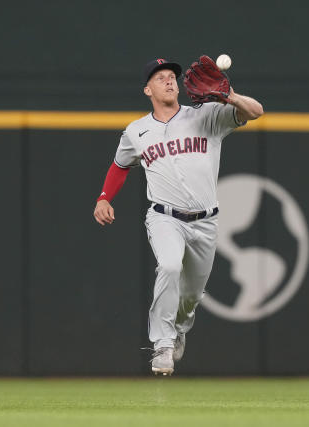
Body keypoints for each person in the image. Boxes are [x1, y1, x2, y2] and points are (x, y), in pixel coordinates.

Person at [93, 57, 263, 375]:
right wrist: (104, 198)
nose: (170, 81)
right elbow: (119, 165)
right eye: (160, 78)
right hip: (164, 217)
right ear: (148, 89)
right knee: (169, 265)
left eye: (173, 76)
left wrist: (231, 96)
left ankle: (179, 329)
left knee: (191, 296)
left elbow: (256, 112)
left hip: (205, 222)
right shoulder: (136, 131)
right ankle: (162, 344)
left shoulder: (206, 116)